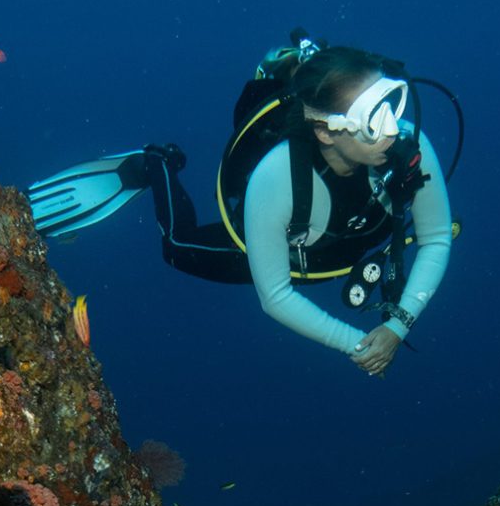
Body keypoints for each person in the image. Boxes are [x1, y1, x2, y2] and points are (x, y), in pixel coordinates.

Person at [28, 38, 453, 376]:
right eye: (374, 118)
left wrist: (398, 326)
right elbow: (276, 295)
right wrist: (357, 344)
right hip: (289, 247)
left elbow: (435, 237)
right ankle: (154, 162)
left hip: (344, 243)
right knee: (177, 247)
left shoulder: (409, 147)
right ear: (326, 132)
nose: (393, 129)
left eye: (394, 101)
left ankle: (294, 65)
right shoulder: (276, 180)